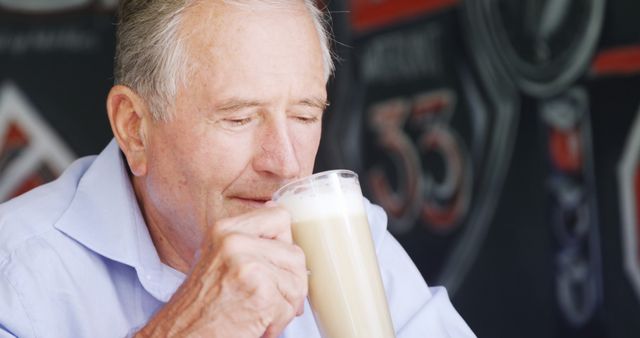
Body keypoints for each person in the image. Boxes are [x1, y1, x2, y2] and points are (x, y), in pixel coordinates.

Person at [0, 0, 476, 337]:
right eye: (239, 118)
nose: (286, 163)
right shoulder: (16, 272)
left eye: (305, 115)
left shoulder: (344, 232)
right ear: (134, 128)